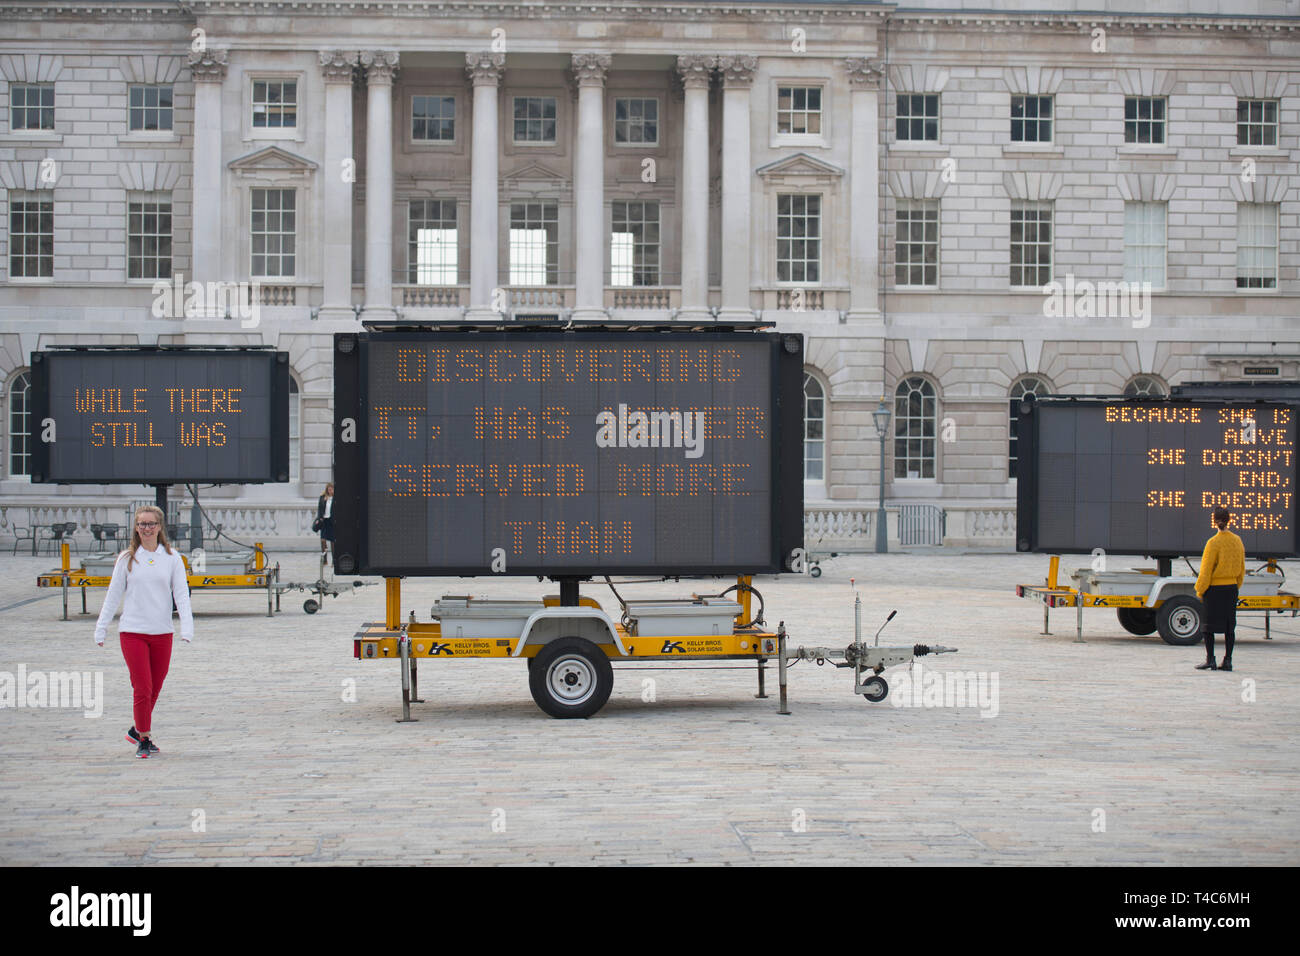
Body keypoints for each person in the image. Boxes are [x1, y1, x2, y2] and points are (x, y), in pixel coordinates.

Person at [93, 505, 194, 758]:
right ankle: (144, 739)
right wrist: (101, 627)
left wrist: (187, 627)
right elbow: (113, 594)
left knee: (156, 687)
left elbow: (181, 594)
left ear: (159, 527)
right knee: (142, 687)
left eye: (151, 524)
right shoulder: (127, 559)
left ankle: (136, 729)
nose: (146, 529)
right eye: (141, 524)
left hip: (162, 632)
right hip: (132, 632)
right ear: (136, 528)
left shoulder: (172, 559)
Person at [1193, 506, 1245, 672]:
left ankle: (1211, 660)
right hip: (1231, 588)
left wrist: (1200, 590)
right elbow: (1242, 568)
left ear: (1214, 521)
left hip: (1214, 589)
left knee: (1208, 627)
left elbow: (1206, 570)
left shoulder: (1213, 543)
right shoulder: (1237, 540)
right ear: (1229, 520)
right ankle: (1228, 660)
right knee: (1229, 627)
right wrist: (1236, 585)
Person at [317, 483, 336, 564]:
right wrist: (319, 518)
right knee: (323, 540)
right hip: (324, 521)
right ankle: (325, 560)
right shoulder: (323, 498)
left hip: (332, 521)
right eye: (329, 489)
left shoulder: (335, 499)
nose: (330, 490)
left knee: (333, 541)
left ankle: (334, 560)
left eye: (331, 489)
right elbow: (319, 509)